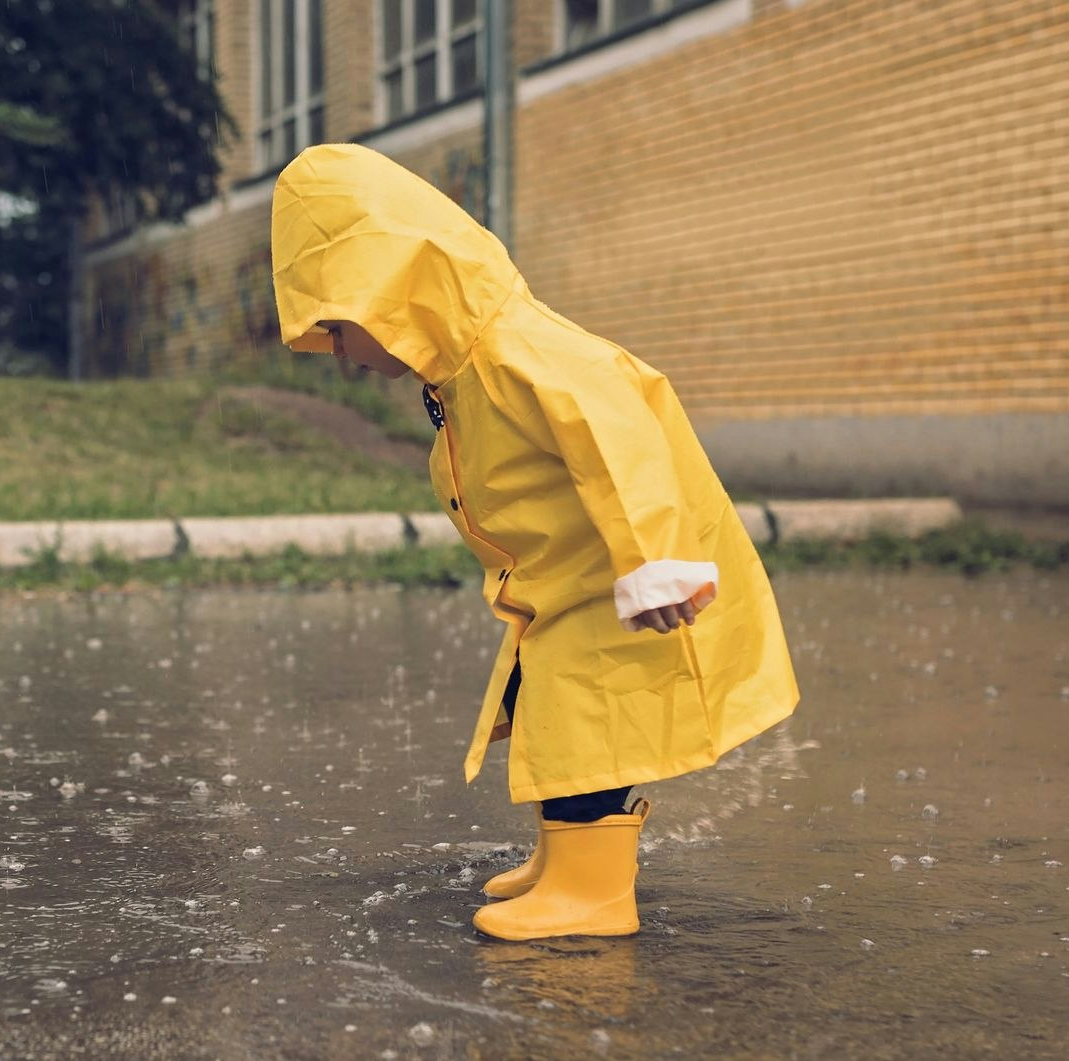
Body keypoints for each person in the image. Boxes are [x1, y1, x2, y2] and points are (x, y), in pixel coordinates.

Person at [269, 143, 799, 941]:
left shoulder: (515, 351)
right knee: (548, 712)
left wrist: (654, 564)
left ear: (392, 293)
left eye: (339, 326)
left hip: (611, 583)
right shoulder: (462, 370)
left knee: (588, 728)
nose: (339, 353)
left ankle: (593, 892)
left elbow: (617, 442)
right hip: (565, 586)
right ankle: (565, 861)